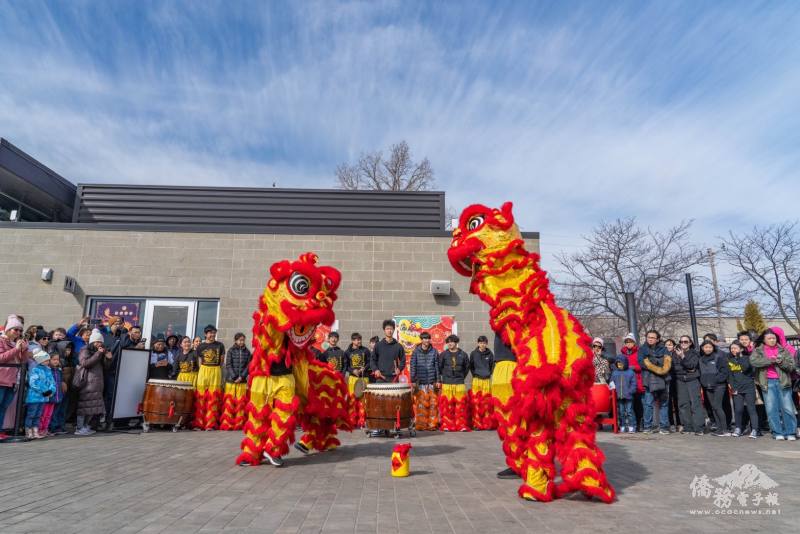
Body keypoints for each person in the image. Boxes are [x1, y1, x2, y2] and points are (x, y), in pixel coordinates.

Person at [749, 328, 797, 440]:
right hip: (767, 382)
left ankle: (791, 432)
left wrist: (781, 362)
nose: (772, 340)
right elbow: (754, 361)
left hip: (783, 382)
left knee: (787, 408)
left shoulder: (783, 350)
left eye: (774, 338)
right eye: (769, 338)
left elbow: (791, 366)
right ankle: (777, 432)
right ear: (764, 340)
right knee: (772, 409)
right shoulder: (758, 351)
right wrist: (769, 361)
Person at [75, 329, 112, 436]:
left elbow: (106, 367)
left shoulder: (100, 351)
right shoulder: (85, 349)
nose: (99, 344)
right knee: (84, 407)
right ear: (92, 342)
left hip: (97, 383)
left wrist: (108, 359)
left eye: (100, 342)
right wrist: (98, 354)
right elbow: (85, 363)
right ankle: (79, 428)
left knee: (92, 408)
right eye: (97, 342)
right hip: (87, 382)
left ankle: (86, 426)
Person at [0, 315, 31, 427]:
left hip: (12, 380)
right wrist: (16, 349)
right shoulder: (1, 341)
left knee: (4, 407)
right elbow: (1, 358)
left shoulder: (15, 343)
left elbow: (23, 361)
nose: (18, 332)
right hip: (1, 379)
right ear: (8, 329)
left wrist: (24, 349)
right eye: (15, 329)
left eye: (20, 330)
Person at [639, 330, 671, 434]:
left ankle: (664, 427)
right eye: (649, 337)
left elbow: (667, 363)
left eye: (653, 337)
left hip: (664, 379)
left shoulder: (664, 349)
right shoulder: (642, 349)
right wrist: (658, 367)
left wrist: (653, 362)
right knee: (648, 403)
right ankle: (647, 426)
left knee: (664, 404)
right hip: (648, 379)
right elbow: (642, 363)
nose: (650, 339)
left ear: (657, 339)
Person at [194, 325, 225, 430]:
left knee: (213, 397)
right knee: (201, 397)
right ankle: (199, 423)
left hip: (215, 370)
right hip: (203, 370)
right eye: (210, 333)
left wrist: (215, 369)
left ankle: (210, 424)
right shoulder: (200, 346)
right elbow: (199, 362)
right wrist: (203, 370)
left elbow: (221, 360)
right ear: (205, 334)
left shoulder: (220, 345)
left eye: (214, 333)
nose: (212, 335)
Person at [673, 336, 705, 435]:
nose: (683, 343)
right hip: (680, 381)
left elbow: (692, 366)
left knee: (696, 404)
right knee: (683, 404)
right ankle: (687, 427)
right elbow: (676, 367)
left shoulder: (695, 353)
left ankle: (699, 427)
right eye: (681, 341)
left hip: (692, 380)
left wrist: (683, 357)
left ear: (690, 343)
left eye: (686, 341)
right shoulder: (675, 354)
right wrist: (688, 368)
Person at [438, 335, 471, 432]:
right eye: (448, 342)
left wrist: (460, 377)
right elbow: (440, 368)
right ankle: (447, 425)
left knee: (460, 405)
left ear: (456, 342)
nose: (450, 344)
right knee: (447, 405)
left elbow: (467, 368)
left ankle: (461, 425)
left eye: (452, 342)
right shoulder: (443, 354)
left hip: (459, 382)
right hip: (447, 382)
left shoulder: (463, 354)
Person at [726, 341, 759, 438]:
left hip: (748, 387)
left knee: (751, 409)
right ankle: (738, 428)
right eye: (731, 348)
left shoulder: (746, 358)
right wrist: (733, 387)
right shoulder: (730, 361)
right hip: (737, 388)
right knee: (738, 409)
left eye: (735, 348)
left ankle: (754, 430)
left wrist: (739, 357)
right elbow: (730, 376)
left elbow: (745, 368)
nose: (733, 350)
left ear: (741, 349)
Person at [409, 332, 440, 431]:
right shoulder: (415, 352)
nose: (426, 340)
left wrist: (438, 380)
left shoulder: (434, 352)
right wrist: (413, 380)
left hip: (431, 382)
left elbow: (437, 367)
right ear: (421, 340)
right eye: (424, 339)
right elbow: (413, 366)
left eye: (428, 339)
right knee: (421, 405)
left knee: (433, 404)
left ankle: (432, 425)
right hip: (420, 382)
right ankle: (421, 424)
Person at [220, 333, 251, 431]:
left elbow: (248, 366)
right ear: (235, 340)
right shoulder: (231, 351)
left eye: (243, 340)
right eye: (240, 340)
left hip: (241, 381)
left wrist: (242, 377)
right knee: (229, 402)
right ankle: (227, 423)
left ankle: (239, 423)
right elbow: (228, 364)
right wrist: (234, 377)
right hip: (231, 381)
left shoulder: (247, 352)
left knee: (240, 403)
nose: (241, 342)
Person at [698, 340, 730, 437]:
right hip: (707, 387)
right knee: (713, 407)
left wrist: (716, 380)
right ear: (702, 348)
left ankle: (724, 429)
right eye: (706, 347)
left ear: (713, 348)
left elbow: (724, 372)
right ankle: (719, 429)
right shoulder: (701, 359)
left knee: (717, 406)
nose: (708, 349)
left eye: (710, 347)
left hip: (719, 386)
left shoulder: (718, 357)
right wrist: (703, 382)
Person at [25, 350, 55, 439]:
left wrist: (51, 391)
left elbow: (52, 382)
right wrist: (45, 391)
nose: (48, 362)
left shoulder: (48, 370)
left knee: (38, 415)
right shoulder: (35, 369)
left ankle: (35, 430)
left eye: (48, 360)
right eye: (46, 360)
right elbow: (33, 383)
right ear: (40, 360)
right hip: (34, 397)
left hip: (44, 398)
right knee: (31, 414)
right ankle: (28, 431)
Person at [344, 333, 370, 428]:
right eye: (356, 340)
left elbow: (370, 362)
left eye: (360, 339)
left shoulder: (366, 350)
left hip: (364, 378)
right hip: (352, 379)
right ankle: (352, 420)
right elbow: (345, 366)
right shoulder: (347, 352)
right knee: (352, 399)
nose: (359, 341)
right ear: (352, 341)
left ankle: (362, 420)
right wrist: (352, 370)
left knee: (363, 400)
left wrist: (365, 368)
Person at [469, 335, 495, 430]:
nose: (482, 345)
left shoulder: (490, 354)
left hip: (487, 380)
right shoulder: (473, 353)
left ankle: (487, 424)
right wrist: (475, 374)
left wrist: (488, 373)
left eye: (484, 343)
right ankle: (477, 424)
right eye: (480, 343)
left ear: (486, 344)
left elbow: (493, 366)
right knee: (476, 402)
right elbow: (471, 366)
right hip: (476, 380)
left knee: (486, 402)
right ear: (478, 343)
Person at [619, 333, 643, 430]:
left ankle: (639, 423)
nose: (628, 343)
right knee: (628, 406)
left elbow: (642, 366)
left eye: (630, 341)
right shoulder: (622, 354)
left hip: (637, 381)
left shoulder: (639, 353)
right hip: (626, 383)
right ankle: (630, 424)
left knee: (638, 404)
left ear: (634, 342)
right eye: (627, 342)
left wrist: (633, 367)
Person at [610, 357, 636, 433]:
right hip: (619, 396)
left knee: (629, 411)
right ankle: (622, 425)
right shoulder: (615, 373)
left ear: (625, 364)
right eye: (618, 364)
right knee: (621, 412)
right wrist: (613, 391)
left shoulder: (630, 372)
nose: (620, 365)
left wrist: (630, 391)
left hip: (628, 396)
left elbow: (633, 384)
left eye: (621, 364)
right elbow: (611, 383)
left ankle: (632, 426)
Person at [45, 351, 68, 435]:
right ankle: (52, 427)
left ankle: (57, 427)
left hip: (59, 395)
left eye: (57, 359)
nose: (56, 361)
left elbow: (60, 382)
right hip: (51, 396)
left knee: (57, 412)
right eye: (53, 359)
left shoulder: (58, 370)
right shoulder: (48, 370)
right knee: (51, 413)